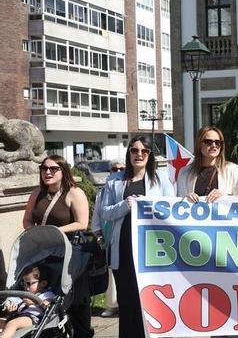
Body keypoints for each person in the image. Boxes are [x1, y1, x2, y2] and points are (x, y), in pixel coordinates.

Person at [100, 135, 175, 338]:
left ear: (150, 155)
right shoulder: (115, 180)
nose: (139, 154)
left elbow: (171, 211)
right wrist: (126, 205)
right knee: (126, 302)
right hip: (122, 250)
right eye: (134, 150)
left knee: (147, 302)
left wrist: (149, 203)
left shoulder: (161, 180)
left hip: (149, 252)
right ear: (129, 153)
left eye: (144, 151)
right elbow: (105, 212)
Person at [22, 155, 91, 337]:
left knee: (75, 302)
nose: (47, 172)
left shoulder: (74, 193)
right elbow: (27, 219)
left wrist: (55, 232)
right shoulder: (37, 193)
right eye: (44, 169)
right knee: (48, 299)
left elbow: (82, 223)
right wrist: (36, 234)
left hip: (70, 254)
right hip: (44, 254)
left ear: (63, 170)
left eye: (53, 169)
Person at [177, 126, 238, 202]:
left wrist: (224, 197)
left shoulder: (233, 170)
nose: (214, 145)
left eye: (218, 142)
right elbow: (178, 205)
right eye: (208, 142)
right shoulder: (184, 173)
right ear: (199, 144)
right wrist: (186, 199)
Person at [93, 161, 124, 318]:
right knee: (111, 273)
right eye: (114, 168)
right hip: (108, 235)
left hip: (124, 236)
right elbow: (97, 214)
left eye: (121, 168)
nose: (117, 170)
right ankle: (112, 305)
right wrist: (98, 233)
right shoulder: (103, 191)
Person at [0, 265, 55, 338]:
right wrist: (11, 310)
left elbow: (48, 305)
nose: (26, 287)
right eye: (24, 283)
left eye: (29, 283)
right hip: (19, 316)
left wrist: (34, 302)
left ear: (43, 283)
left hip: (33, 318)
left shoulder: (47, 294)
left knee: (12, 323)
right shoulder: (25, 296)